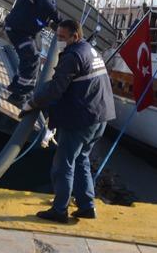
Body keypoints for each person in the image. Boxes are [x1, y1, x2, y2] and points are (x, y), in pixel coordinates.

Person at [22, 18, 115, 224]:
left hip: (82, 119)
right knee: (81, 158)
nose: (60, 41)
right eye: (58, 37)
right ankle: (87, 206)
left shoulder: (73, 56)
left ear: (76, 36)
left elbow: (56, 89)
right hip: (101, 116)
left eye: (63, 37)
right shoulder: (90, 51)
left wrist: (33, 102)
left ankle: (60, 210)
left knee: (64, 163)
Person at [4, 0, 73, 105]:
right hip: (17, 29)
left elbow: (36, 12)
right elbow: (46, 6)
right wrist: (62, 22)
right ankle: (18, 96)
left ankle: (17, 86)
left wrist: (50, 24)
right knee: (32, 58)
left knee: (34, 53)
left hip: (25, 30)